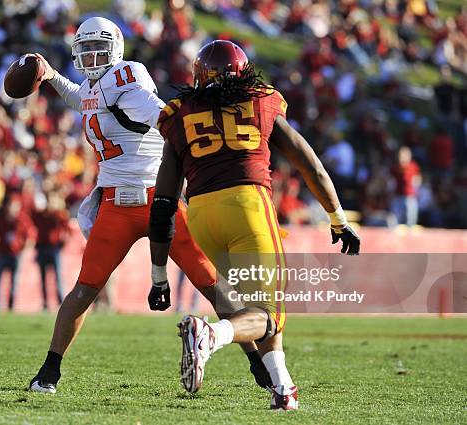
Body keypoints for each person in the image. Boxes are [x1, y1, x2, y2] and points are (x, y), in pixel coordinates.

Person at [28, 17, 271, 395]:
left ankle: (262, 365)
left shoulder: (127, 81)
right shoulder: (96, 86)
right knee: (84, 289)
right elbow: (82, 98)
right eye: (86, 49)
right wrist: (50, 76)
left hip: (160, 199)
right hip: (115, 206)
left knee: (211, 284)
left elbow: (163, 116)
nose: (91, 56)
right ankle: (48, 372)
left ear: (116, 50)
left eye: (98, 49)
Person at [149, 40, 360, 409]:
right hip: (246, 204)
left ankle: (283, 390)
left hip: (200, 214)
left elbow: (164, 203)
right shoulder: (260, 100)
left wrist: (158, 275)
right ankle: (210, 336)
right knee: (270, 314)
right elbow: (309, 163)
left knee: (254, 304)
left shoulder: (180, 113)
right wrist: (338, 219)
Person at [0, 195, 36, 311]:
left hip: (16, 254)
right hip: (3, 253)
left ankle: (11, 304)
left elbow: (31, 236)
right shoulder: (1, 219)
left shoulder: (23, 219)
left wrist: (24, 250)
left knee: (14, 281)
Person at [31, 191, 71, 310]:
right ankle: (45, 302)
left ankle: (60, 302)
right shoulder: (41, 214)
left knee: (57, 277)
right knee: (43, 277)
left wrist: (62, 242)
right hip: (42, 247)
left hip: (54, 248)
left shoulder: (58, 214)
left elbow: (67, 228)